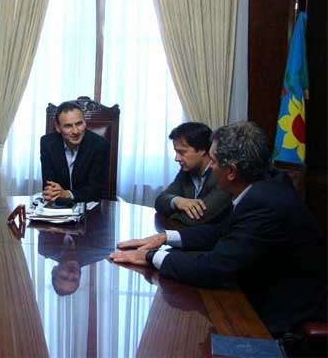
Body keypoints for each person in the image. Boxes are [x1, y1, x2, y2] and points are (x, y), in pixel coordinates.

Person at [110, 122, 327, 336]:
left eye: (213, 160)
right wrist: (165, 237)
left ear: (231, 171)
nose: (209, 166)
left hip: (283, 310)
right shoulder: (267, 182)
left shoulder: (264, 203)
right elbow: (222, 230)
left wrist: (150, 258)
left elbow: (214, 268)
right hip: (262, 288)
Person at [155, 122, 231, 225]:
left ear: (202, 150)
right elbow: (159, 201)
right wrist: (176, 201)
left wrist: (171, 213)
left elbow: (198, 218)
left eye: (182, 152)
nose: (176, 158)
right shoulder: (186, 171)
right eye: (176, 152)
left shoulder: (221, 174)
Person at [40, 101, 110, 202]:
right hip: (58, 207)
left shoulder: (99, 145)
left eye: (79, 124)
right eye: (68, 126)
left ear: (85, 122)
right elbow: (49, 184)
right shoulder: (48, 143)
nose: (75, 131)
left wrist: (68, 194)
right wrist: (52, 192)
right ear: (58, 127)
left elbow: (96, 190)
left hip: (90, 208)